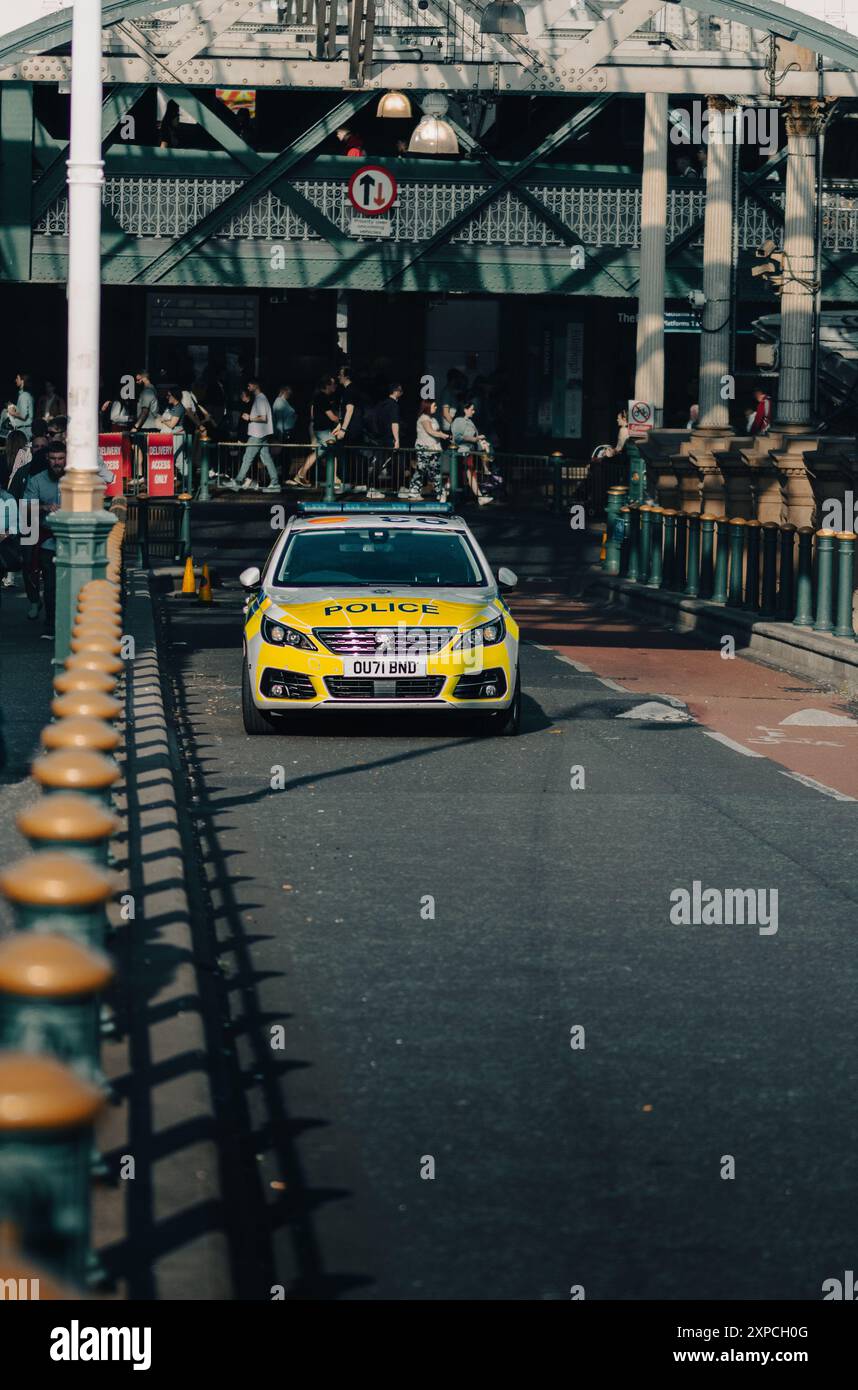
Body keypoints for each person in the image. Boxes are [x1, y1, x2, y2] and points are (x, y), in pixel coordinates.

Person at [23, 440, 66, 636]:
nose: (57, 463)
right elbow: (25, 507)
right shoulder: (37, 480)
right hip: (48, 540)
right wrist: (45, 507)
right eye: (53, 459)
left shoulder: (77, 480)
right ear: (47, 460)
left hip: (72, 540)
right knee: (50, 585)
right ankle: (51, 625)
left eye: (60, 458)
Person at [224, 379, 279, 492]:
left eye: (249, 385)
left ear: (255, 385)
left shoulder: (260, 399)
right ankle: (275, 483)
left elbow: (264, 417)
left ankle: (238, 481)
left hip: (257, 434)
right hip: (261, 434)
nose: (248, 388)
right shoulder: (260, 398)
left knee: (247, 458)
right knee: (266, 458)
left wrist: (250, 418)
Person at [289, 376, 339, 488]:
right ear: (327, 385)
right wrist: (341, 421)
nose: (335, 386)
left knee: (318, 453)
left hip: (320, 429)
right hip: (323, 430)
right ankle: (334, 479)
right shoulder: (323, 397)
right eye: (333, 384)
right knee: (333, 451)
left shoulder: (319, 397)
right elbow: (332, 417)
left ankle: (301, 474)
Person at [406, 400, 449, 501]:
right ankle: (414, 492)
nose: (436, 407)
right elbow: (430, 431)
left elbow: (437, 431)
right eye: (434, 406)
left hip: (434, 449)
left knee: (436, 471)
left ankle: (440, 492)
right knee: (421, 469)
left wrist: (444, 435)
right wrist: (443, 435)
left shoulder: (433, 419)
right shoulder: (424, 418)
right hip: (424, 448)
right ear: (428, 406)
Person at [451, 401, 493, 505]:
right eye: (471, 409)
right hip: (461, 452)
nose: (473, 412)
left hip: (468, 451)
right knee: (467, 473)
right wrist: (475, 439)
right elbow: (458, 437)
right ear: (465, 409)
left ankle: (479, 497)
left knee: (469, 473)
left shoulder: (469, 422)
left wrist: (480, 443)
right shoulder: (459, 421)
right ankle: (479, 497)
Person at [366, 382, 403, 499]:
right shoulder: (394, 405)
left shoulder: (382, 404)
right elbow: (394, 423)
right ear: (396, 391)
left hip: (380, 437)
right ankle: (372, 488)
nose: (402, 393)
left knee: (391, 462)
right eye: (400, 390)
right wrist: (396, 439)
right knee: (384, 462)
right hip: (389, 438)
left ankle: (397, 487)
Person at [160, 389, 188, 486]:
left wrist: (163, 421)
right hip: (172, 434)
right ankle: (182, 481)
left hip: (177, 434)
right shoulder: (172, 407)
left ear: (174, 396)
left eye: (169, 395)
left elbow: (172, 424)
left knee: (179, 459)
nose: (167, 397)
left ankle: (187, 482)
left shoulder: (179, 408)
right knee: (173, 458)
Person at [2, 373, 35, 440]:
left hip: (24, 430)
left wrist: (11, 412)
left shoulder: (24, 396)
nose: (15, 380)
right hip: (24, 429)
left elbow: (23, 416)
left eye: (17, 378)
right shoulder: (24, 395)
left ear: (22, 381)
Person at [272, 384, 297, 475]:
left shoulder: (283, 402)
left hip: (287, 432)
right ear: (284, 392)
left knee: (286, 456)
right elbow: (279, 420)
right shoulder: (279, 402)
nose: (290, 395)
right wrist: (280, 435)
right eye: (288, 393)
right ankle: (282, 476)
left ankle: (284, 475)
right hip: (284, 433)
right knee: (283, 456)